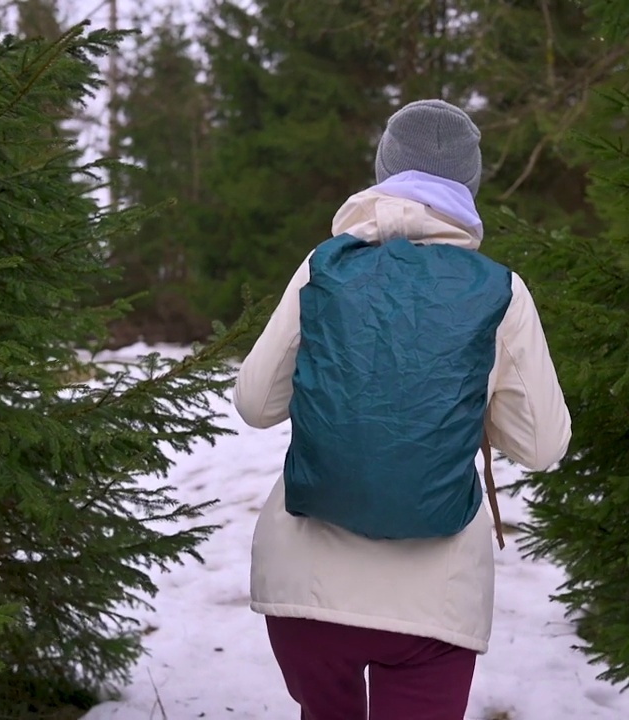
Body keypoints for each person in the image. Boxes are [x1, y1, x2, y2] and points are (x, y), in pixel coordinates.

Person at [232, 98, 572, 720]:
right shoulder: (500, 290)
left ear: (383, 171)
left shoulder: (322, 269)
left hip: (305, 591)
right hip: (433, 607)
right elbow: (543, 446)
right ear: (468, 186)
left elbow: (256, 404)